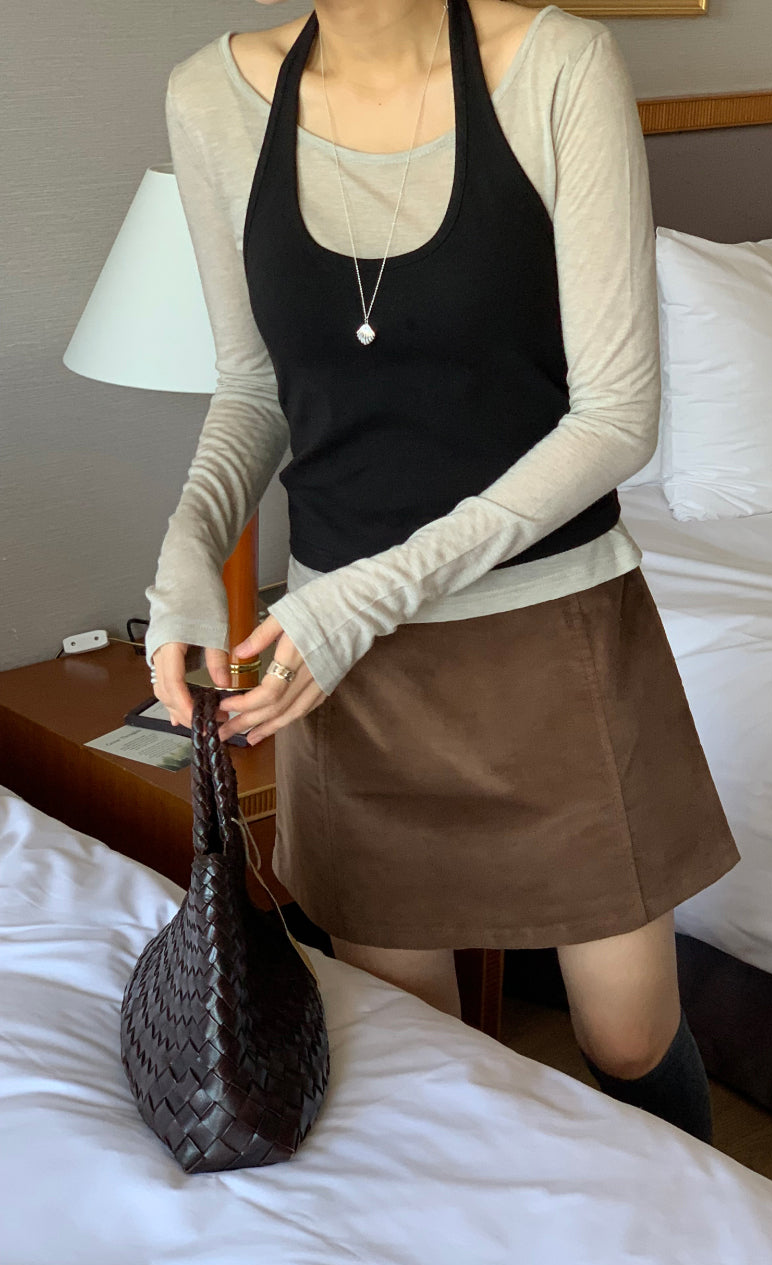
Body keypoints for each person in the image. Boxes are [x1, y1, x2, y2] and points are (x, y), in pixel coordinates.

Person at [145, 0, 739, 1144]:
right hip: (352, 679)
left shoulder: (558, 66)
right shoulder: (208, 97)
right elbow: (253, 389)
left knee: (627, 1036)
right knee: (428, 1053)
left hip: (552, 638)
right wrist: (185, 558)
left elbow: (617, 417)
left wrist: (358, 599)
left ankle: (698, 1240)